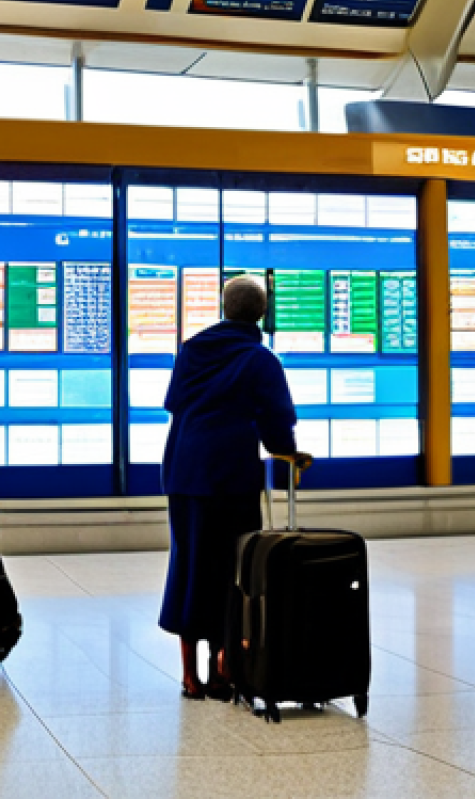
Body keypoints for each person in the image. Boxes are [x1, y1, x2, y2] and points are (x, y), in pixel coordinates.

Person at [159, 274, 308, 700]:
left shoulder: (192, 350)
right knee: (232, 569)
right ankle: (223, 666)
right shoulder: (259, 359)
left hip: (185, 472)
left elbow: (175, 403)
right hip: (230, 476)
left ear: (225, 307)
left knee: (188, 568)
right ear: (262, 313)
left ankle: (190, 675)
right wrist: (289, 455)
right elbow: (277, 421)